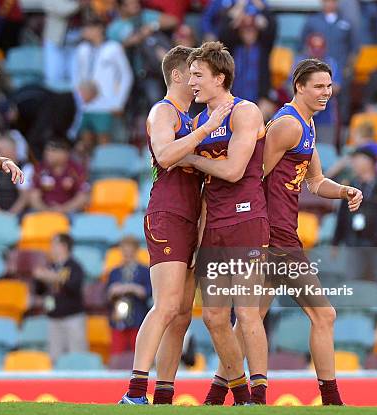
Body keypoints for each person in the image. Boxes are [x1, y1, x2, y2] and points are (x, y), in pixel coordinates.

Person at [120, 45, 233, 405]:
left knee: (183, 314)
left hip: (189, 219)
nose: (198, 81)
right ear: (179, 76)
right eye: (195, 74)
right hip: (167, 213)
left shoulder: (190, 118)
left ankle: (164, 394)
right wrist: (210, 129)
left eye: (204, 74)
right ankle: (135, 391)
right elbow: (167, 156)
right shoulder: (163, 112)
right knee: (166, 306)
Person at [169, 41, 269, 405]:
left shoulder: (245, 112)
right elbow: (206, 190)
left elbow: (233, 169)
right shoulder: (199, 122)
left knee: (245, 311)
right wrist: (198, 237)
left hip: (246, 218)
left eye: (198, 75)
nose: (191, 82)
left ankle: (259, 395)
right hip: (214, 224)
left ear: (219, 78)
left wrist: (193, 157)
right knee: (212, 316)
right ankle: (238, 390)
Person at [260, 59, 363, 406]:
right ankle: (332, 401)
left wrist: (345, 191)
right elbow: (253, 177)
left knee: (251, 317)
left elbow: (315, 181)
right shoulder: (287, 125)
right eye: (318, 86)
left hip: (281, 230)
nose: (326, 93)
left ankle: (222, 392)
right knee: (324, 314)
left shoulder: (307, 124)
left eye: (329, 86)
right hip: (275, 235)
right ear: (299, 87)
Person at [73, 17, 133, 150]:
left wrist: (119, 102)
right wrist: (78, 98)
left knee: (104, 142)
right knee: (85, 142)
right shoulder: (82, 49)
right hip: (86, 104)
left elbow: (126, 75)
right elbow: (77, 75)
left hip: (106, 104)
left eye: (89, 28)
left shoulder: (114, 48)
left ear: (99, 29)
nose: (85, 31)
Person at [33, 234, 87, 362]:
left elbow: (74, 287)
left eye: (55, 245)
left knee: (77, 355)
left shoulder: (74, 266)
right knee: (54, 356)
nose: (52, 248)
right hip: (54, 317)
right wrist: (39, 279)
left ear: (64, 247)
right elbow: (40, 292)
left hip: (72, 317)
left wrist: (54, 278)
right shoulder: (51, 266)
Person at [333, 148, 377, 248]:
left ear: (369, 162)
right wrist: (335, 242)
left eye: (357, 159)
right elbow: (342, 216)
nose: (354, 163)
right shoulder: (350, 187)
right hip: (352, 243)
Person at [106, 236, 152, 355]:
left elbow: (148, 292)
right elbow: (108, 294)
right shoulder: (115, 272)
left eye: (129, 251)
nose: (126, 254)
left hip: (138, 317)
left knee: (138, 353)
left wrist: (132, 288)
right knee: (117, 353)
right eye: (124, 251)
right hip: (119, 319)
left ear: (135, 251)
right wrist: (113, 291)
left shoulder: (144, 271)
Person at [28, 139, 90, 214]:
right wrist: (47, 210)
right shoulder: (40, 169)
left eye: (53, 150)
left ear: (65, 153)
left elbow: (83, 197)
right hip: (44, 211)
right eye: (47, 150)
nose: (48, 154)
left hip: (70, 211)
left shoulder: (76, 169)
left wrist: (63, 209)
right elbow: (33, 197)